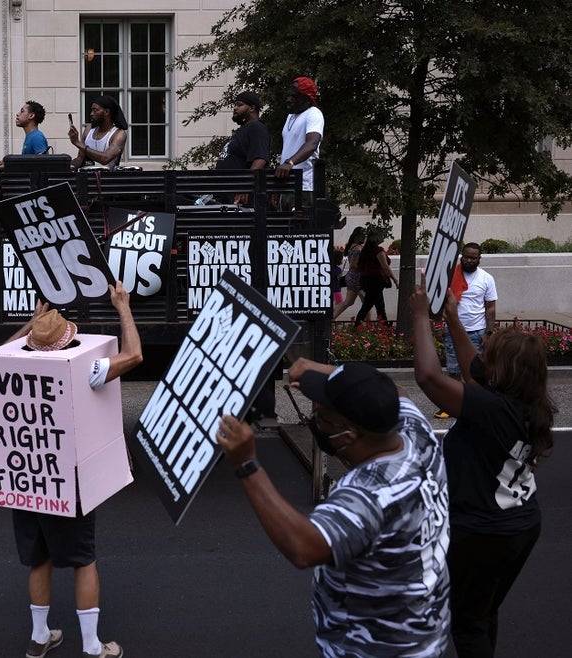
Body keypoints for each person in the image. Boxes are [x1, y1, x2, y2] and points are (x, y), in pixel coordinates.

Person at [217, 359, 450, 657]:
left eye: (323, 416)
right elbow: (392, 391)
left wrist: (247, 465)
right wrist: (322, 370)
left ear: (348, 435)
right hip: (422, 633)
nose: (315, 418)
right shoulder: (416, 433)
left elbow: (304, 547)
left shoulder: (369, 494)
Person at [410, 279, 552, 657]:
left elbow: (429, 378)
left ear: (503, 371)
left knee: (467, 623)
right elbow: (474, 371)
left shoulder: (492, 409)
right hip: (519, 523)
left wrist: (420, 316)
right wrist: (453, 319)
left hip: (485, 532)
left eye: (490, 350)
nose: (484, 347)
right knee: (483, 611)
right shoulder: (524, 402)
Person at [3, 282, 141, 658]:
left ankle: (39, 638)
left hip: (28, 476)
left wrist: (31, 326)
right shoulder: (86, 369)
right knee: (84, 560)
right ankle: (93, 647)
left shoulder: (14, 365)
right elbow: (134, 354)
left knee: (39, 558)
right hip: (69, 480)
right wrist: (123, 307)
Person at [436, 242, 498, 419]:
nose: (469, 260)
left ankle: (475, 404)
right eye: (466, 257)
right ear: (461, 256)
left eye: (473, 258)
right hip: (453, 331)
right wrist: (438, 326)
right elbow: (439, 303)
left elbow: (490, 308)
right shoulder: (449, 276)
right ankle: (454, 405)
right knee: (454, 370)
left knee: (475, 372)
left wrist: (488, 333)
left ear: (479, 259)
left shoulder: (486, 279)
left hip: (477, 332)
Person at [275, 76, 324, 208]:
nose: (289, 99)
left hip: (304, 187)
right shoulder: (290, 116)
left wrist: (290, 163)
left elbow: (312, 143)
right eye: (289, 95)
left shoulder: (313, 113)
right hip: (287, 185)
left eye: (294, 96)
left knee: (300, 222)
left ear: (307, 99)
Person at [214, 91, 270, 205]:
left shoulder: (256, 128)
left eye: (239, 105)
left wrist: (246, 186)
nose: (235, 108)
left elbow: (260, 159)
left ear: (252, 108)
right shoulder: (243, 130)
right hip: (227, 195)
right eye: (235, 105)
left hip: (241, 199)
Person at [68, 95, 128, 170]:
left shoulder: (118, 134)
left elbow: (105, 159)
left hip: (108, 176)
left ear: (106, 112)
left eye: (95, 110)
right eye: (92, 110)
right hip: (88, 176)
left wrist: (77, 143)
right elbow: (80, 159)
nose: (91, 113)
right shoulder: (88, 129)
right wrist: (63, 165)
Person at [352, 230, 397, 326]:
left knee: (378, 304)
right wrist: (395, 279)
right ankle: (357, 325)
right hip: (375, 281)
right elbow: (385, 266)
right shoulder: (378, 251)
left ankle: (384, 324)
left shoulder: (365, 251)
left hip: (366, 280)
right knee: (368, 305)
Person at [332, 226, 368, 320]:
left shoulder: (352, 246)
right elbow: (353, 265)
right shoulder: (357, 249)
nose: (365, 237)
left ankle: (331, 317)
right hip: (358, 278)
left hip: (352, 278)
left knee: (348, 302)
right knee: (366, 303)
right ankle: (367, 323)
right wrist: (364, 268)